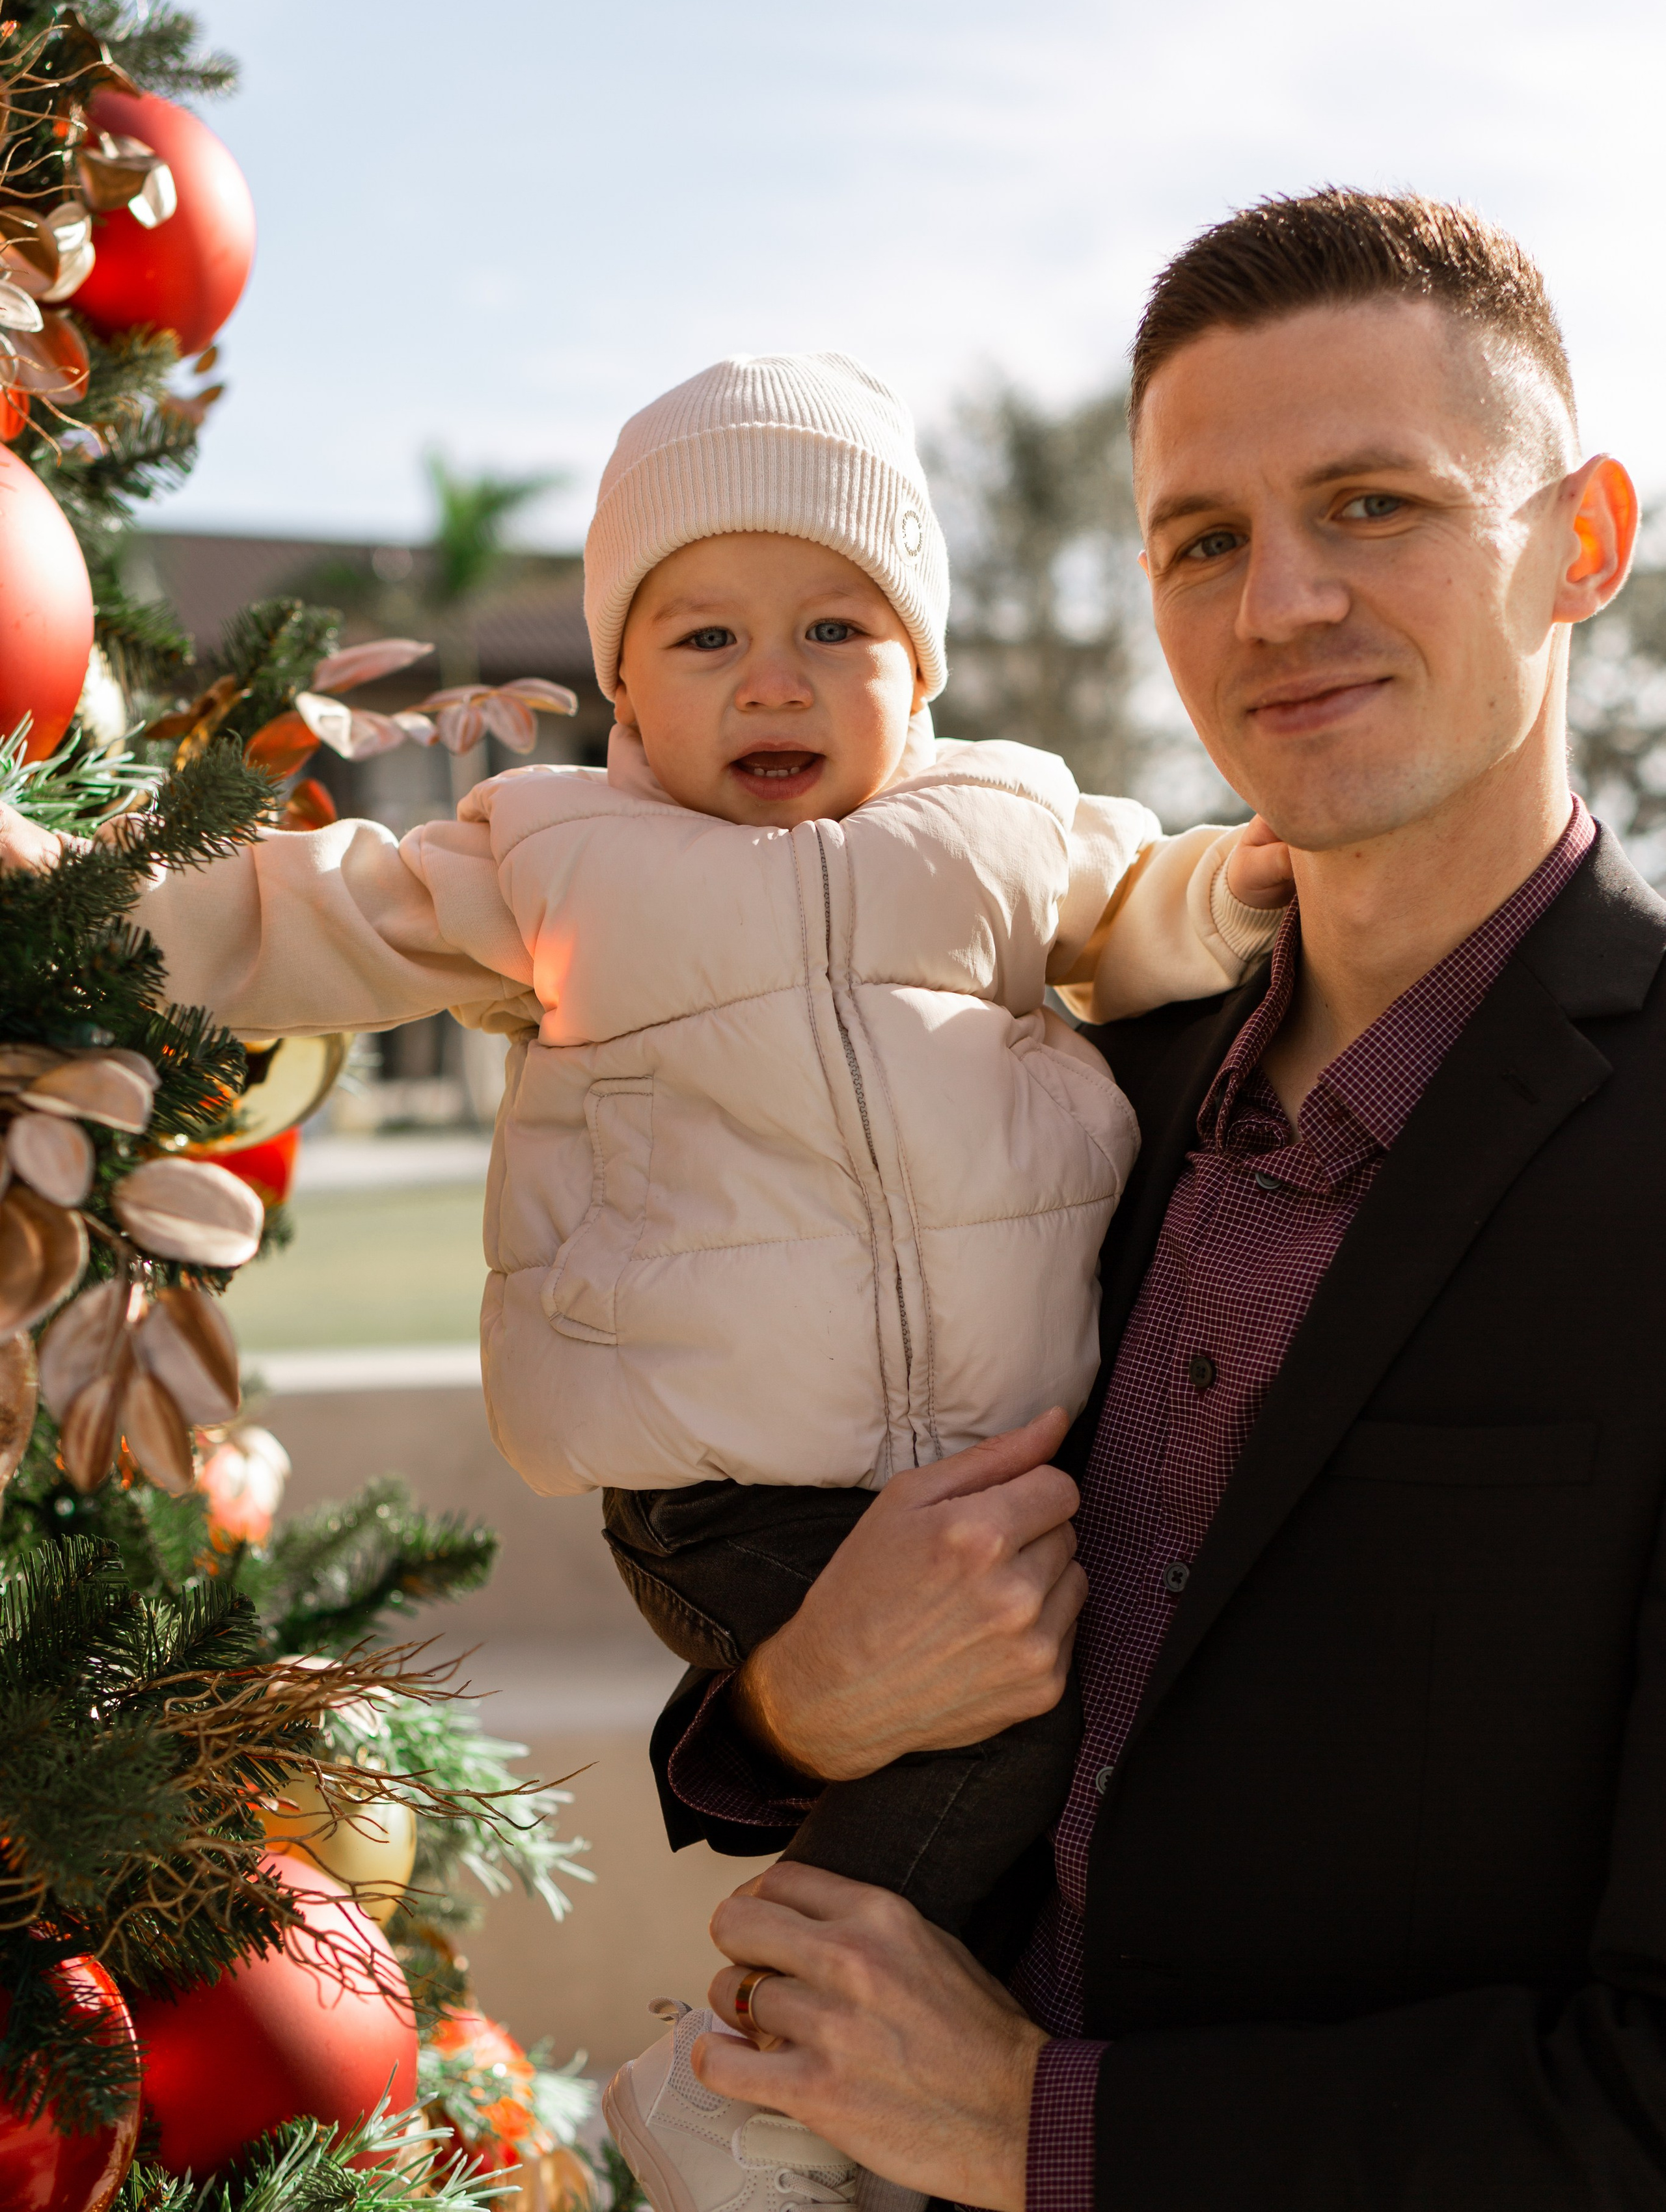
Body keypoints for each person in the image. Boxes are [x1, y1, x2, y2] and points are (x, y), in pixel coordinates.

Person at [0, 353, 1292, 2210]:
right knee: (1008, 1718)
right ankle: (746, 2078)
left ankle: (850, 2101)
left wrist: (1239, 890)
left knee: (1061, 1751)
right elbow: (302, 909)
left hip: (989, 1471)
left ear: (921, 668)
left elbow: (1145, 907)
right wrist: (60, 890)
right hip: (726, 1488)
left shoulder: (1004, 826)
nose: (772, 680)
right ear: (623, 686)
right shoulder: (562, 855)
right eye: (705, 639)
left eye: (835, 627)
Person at [646, 191, 1666, 2212]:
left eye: (1373, 504)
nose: (1277, 602)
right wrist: (787, 1705)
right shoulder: (1072, 1079)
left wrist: (1037, 2127)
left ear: (1582, 544)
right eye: (1203, 539)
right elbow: (828, 1626)